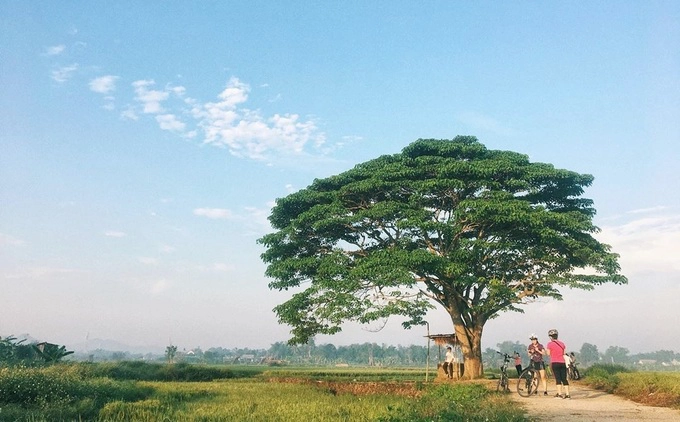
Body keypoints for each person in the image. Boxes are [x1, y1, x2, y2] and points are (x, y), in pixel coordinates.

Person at [544, 329, 571, 399]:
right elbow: (564, 353)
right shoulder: (562, 344)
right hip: (562, 362)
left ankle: (559, 394)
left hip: (555, 362)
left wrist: (545, 351)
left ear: (550, 337)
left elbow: (548, 353)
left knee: (558, 378)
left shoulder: (549, 344)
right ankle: (567, 395)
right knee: (564, 379)